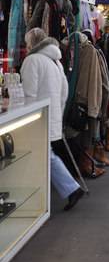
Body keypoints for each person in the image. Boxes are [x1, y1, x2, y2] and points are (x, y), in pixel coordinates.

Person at [20, 28, 84, 211]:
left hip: (37, 116)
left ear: (32, 43)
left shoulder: (32, 61)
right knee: (45, 154)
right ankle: (69, 189)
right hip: (52, 114)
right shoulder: (55, 61)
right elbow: (64, 91)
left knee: (40, 154)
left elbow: (29, 94)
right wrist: (58, 112)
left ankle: (64, 190)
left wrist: (25, 114)